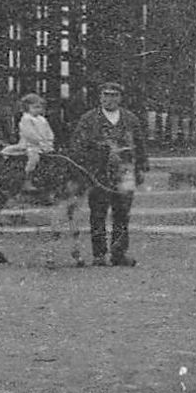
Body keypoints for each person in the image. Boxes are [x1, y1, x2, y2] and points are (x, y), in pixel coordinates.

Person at [72, 81, 147, 267]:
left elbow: (140, 144)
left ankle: (119, 253)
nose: (109, 99)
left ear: (121, 98)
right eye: (106, 95)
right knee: (98, 213)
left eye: (114, 95)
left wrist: (141, 168)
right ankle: (99, 254)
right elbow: (77, 147)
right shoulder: (89, 119)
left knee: (122, 213)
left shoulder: (130, 119)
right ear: (100, 97)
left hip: (125, 173)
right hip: (99, 173)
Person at [0, 92, 56, 178]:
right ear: (27, 108)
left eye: (39, 107)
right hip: (30, 144)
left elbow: (49, 131)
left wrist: (49, 140)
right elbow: (29, 133)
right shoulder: (26, 119)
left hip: (44, 145)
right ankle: (28, 177)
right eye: (35, 107)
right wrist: (40, 141)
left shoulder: (42, 119)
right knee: (34, 158)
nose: (38, 110)